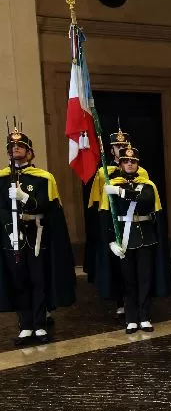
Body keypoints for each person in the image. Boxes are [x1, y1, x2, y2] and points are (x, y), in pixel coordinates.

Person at [0, 127, 76, 346]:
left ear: (30, 152)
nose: (15, 149)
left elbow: (47, 206)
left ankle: (40, 324)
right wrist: (10, 229)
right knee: (19, 280)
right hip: (12, 237)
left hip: (36, 235)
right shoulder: (2, 178)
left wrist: (24, 197)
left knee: (38, 280)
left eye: (20, 146)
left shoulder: (43, 178)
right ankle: (25, 325)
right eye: (12, 146)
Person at [96, 145, 171, 333]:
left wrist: (121, 193)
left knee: (145, 279)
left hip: (145, 238)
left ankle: (145, 316)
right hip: (124, 239)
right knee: (127, 280)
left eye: (133, 161)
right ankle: (131, 318)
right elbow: (106, 217)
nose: (130, 164)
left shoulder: (147, 185)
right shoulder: (112, 184)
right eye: (126, 161)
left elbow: (145, 201)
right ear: (120, 164)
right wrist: (110, 241)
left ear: (138, 164)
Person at [84, 127, 145, 320]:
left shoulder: (141, 171)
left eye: (124, 145)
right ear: (111, 150)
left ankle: (140, 306)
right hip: (113, 222)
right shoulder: (104, 172)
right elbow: (97, 203)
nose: (121, 148)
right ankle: (120, 301)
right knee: (117, 265)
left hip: (134, 224)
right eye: (117, 146)